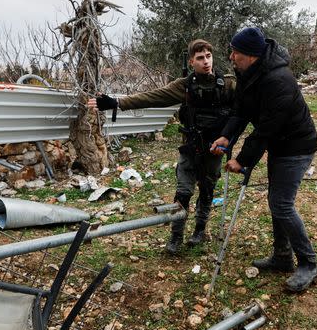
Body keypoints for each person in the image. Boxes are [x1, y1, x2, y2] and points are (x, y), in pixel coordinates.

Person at [89, 39, 235, 254]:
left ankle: (200, 230)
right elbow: (152, 97)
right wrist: (117, 103)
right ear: (191, 61)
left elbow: (243, 111)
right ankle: (176, 237)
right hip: (191, 148)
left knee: (207, 190)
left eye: (208, 56)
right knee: (183, 192)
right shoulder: (184, 86)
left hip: (214, 150)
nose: (206, 62)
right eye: (200, 58)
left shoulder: (229, 84)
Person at [210, 27, 317, 293]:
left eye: (236, 52)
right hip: (279, 145)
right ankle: (283, 256)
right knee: (277, 201)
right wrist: (227, 136)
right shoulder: (249, 72)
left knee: (281, 204)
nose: (231, 56)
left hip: (297, 146)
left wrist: (242, 160)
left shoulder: (278, 79)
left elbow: (266, 128)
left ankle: (309, 262)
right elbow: (242, 110)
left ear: (251, 55)